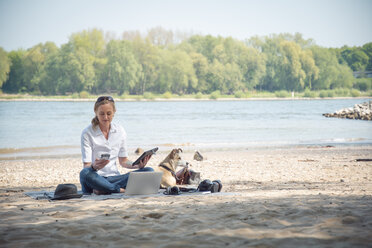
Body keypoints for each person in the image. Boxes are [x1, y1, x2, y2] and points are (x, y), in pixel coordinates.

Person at [79, 96, 154, 194]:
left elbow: (123, 161)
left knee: (149, 170)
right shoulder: (87, 133)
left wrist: (137, 165)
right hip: (95, 179)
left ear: (114, 112)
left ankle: (105, 189)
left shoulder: (120, 131)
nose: (105, 117)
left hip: (115, 178)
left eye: (109, 113)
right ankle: (119, 190)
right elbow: (86, 166)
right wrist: (93, 167)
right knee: (84, 173)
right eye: (101, 114)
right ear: (95, 112)